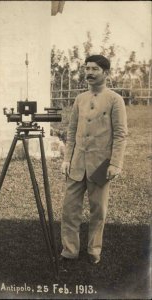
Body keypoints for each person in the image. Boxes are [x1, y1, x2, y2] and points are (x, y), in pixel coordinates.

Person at [60, 54, 128, 266]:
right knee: (69, 209)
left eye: (94, 69)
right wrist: (66, 159)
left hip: (100, 165)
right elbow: (71, 132)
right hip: (77, 164)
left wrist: (115, 163)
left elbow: (120, 134)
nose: (89, 72)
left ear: (105, 73)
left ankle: (93, 250)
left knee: (98, 211)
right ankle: (70, 251)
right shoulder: (80, 99)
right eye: (87, 68)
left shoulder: (115, 100)